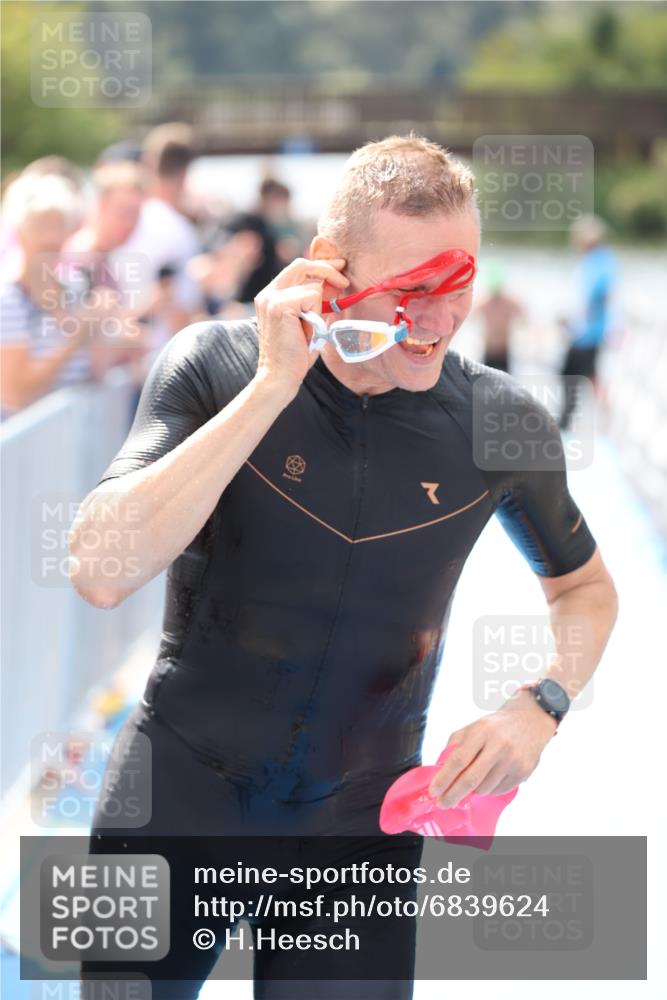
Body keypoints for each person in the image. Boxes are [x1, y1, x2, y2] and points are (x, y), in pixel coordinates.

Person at [70, 135, 618, 999]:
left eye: (461, 282)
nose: (440, 319)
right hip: (178, 801)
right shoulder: (216, 367)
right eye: (412, 288)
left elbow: (584, 589)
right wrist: (270, 388)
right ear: (330, 267)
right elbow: (100, 570)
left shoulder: (494, 422)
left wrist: (539, 706)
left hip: (359, 829)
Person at [0, 173, 127, 418]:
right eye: (40, 226)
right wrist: (77, 338)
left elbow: (94, 371)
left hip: (75, 438)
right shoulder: (9, 299)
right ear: (19, 230)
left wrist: (107, 328)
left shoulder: (75, 289)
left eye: (58, 225)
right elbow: (16, 393)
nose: (50, 238)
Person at [558, 213, 618, 429]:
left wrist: (585, 322)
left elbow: (599, 296)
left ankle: (600, 419)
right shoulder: (593, 260)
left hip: (590, 332)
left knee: (579, 375)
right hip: (583, 330)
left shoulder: (601, 260)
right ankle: (572, 419)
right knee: (581, 374)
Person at [473, 261, 524, 373]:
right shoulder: (484, 303)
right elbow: (469, 318)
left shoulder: (511, 303)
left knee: (506, 385)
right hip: (489, 351)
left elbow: (524, 317)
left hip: (504, 351)